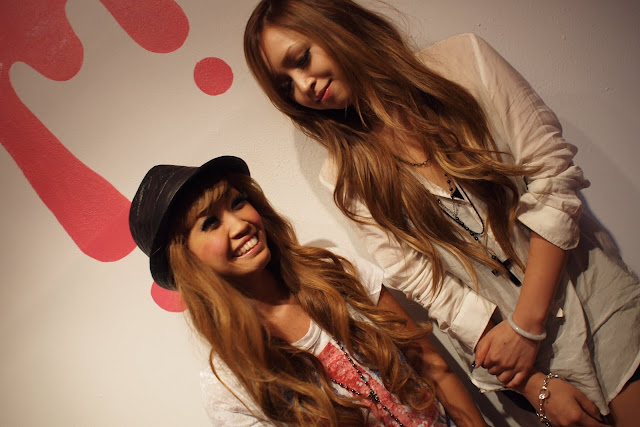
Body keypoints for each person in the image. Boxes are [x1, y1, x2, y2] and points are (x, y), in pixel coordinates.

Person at [243, 0, 640, 425]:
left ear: (336, 26)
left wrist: (526, 326)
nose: (303, 85)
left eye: (301, 59)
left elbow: (553, 180)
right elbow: (425, 283)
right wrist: (531, 382)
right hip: (515, 358)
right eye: (286, 85)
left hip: (589, 294)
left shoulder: (464, 63)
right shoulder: (345, 175)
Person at [128, 155, 488, 426]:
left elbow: (432, 366)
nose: (240, 224)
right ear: (186, 259)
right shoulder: (229, 387)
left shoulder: (335, 272)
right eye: (210, 223)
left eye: (237, 202)